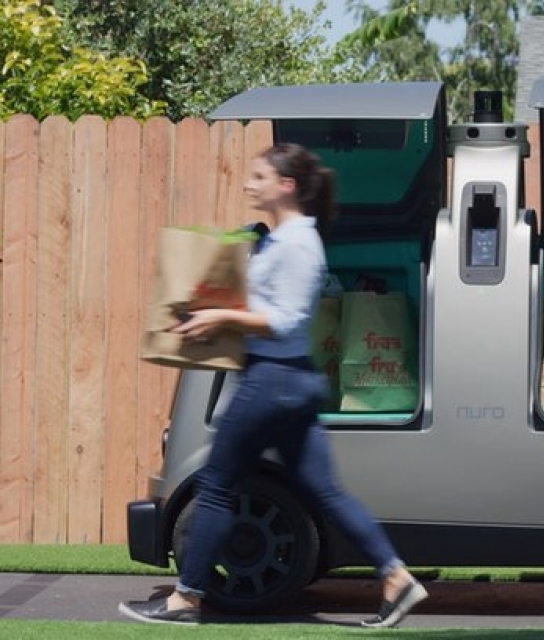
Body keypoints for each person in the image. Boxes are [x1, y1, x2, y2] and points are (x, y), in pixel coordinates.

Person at [119, 143, 427, 628]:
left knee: (217, 486)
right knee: (327, 493)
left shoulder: (299, 244)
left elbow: (284, 321)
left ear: (285, 186)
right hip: (292, 383)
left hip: (273, 378)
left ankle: (185, 600)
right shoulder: (283, 239)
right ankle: (396, 579)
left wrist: (222, 316)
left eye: (259, 177)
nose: (249, 184)